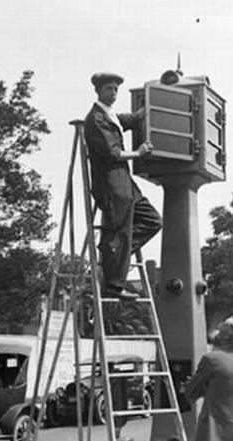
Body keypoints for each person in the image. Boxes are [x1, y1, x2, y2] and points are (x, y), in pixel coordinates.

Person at [84, 72, 162, 300]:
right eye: (109, 89)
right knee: (119, 231)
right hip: (110, 183)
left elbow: (133, 119)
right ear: (98, 91)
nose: (113, 93)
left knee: (152, 221)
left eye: (116, 89)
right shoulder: (96, 118)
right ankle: (113, 284)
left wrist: (157, 98)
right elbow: (112, 152)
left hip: (124, 182)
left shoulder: (111, 116)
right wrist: (138, 153)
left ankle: (114, 255)